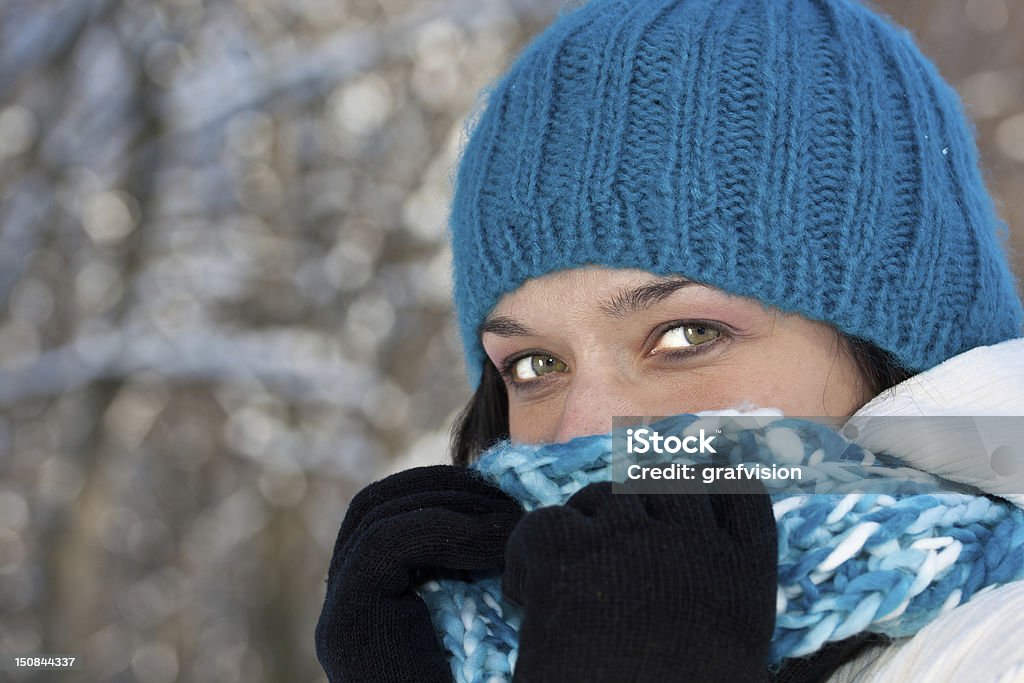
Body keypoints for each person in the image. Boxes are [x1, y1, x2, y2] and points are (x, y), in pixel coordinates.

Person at [315, 0, 1024, 681]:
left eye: (686, 334)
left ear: (894, 351)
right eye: (535, 364)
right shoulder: (492, 644)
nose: (585, 429)